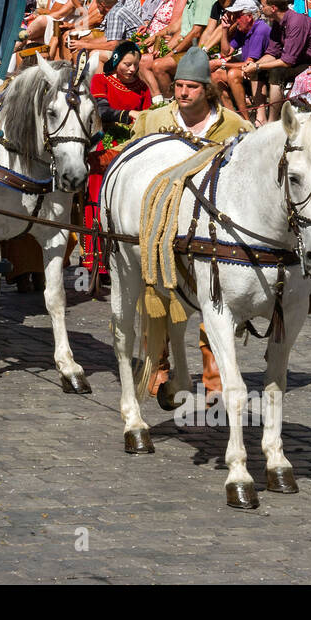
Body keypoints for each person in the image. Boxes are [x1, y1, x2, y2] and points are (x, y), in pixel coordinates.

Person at [132, 45, 253, 402]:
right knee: (157, 294)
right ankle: (160, 363)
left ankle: (214, 373)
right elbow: (134, 165)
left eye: (192, 87)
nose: (183, 93)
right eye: (179, 86)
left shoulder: (233, 126)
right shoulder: (153, 121)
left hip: (212, 229)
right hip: (163, 223)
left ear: (208, 90)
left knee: (216, 299)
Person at [82, 41, 152, 270]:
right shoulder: (101, 80)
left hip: (131, 147)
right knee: (97, 199)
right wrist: (127, 114)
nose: (132, 69)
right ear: (116, 61)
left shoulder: (143, 88)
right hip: (103, 145)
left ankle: (125, 260)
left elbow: (147, 117)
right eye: (127, 64)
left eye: (135, 65)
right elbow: (102, 110)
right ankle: (95, 262)